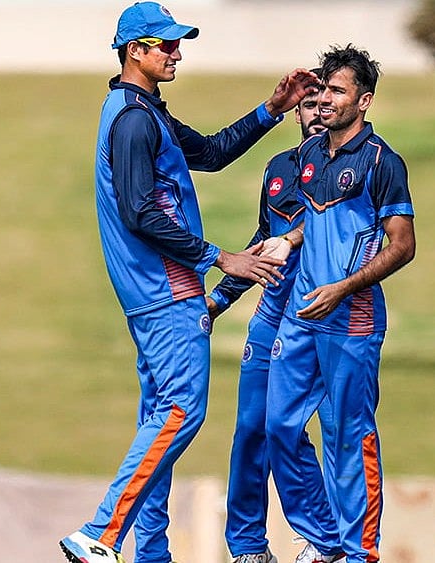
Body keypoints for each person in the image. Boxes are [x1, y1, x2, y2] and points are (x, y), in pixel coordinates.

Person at [58, 3, 318, 562]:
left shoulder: (142, 110)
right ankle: (101, 534)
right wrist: (220, 258)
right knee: (181, 413)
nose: (178, 53)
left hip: (153, 294)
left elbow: (212, 152)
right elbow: (139, 212)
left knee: (159, 422)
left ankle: (150, 552)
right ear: (136, 50)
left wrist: (275, 106)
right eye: (167, 45)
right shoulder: (131, 119)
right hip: (165, 291)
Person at [264, 44, 416, 563]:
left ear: (364, 100)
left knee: (348, 437)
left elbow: (403, 244)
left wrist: (344, 286)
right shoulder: (308, 155)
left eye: (336, 91)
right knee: (278, 426)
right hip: (303, 311)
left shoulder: (382, 162)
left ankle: (358, 553)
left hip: (351, 315)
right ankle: (325, 538)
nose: (323, 100)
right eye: (321, 90)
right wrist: (290, 239)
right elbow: (322, 219)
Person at [207, 78, 334, 563]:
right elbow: (265, 238)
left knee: (296, 425)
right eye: (308, 105)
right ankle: (247, 548)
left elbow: (340, 225)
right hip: (271, 309)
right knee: (251, 426)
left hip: (321, 310)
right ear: (297, 113)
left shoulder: (356, 164)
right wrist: (219, 299)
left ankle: (324, 539)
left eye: (326, 103)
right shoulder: (278, 168)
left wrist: (296, 238)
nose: (317, 113)